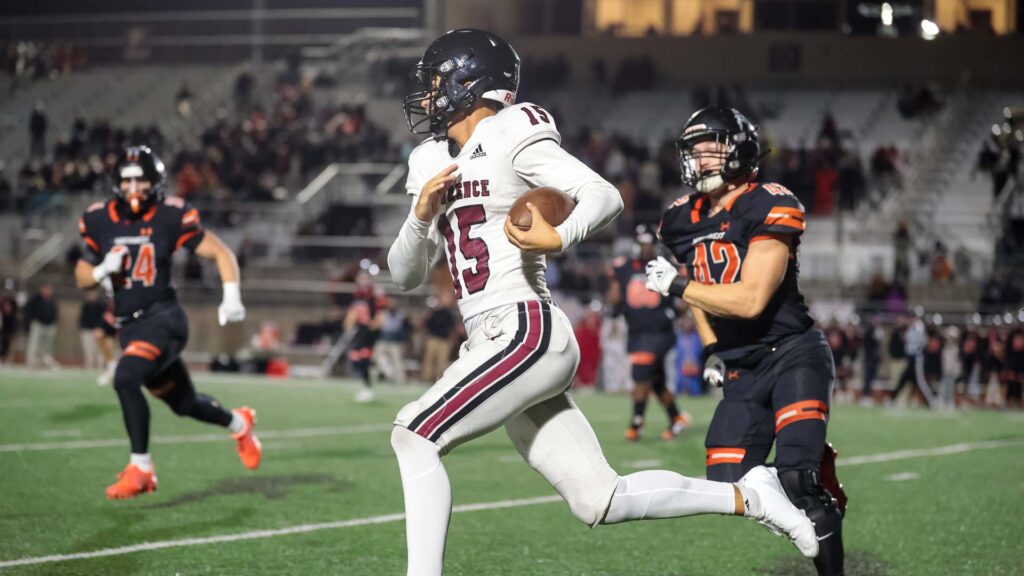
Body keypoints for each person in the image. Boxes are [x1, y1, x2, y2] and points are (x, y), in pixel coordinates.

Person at [386, 29, 817, 576]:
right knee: (600, 499)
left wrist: (558, 238)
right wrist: (422, 213)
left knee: (414, 434)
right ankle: (754, 495)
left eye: (437, 81)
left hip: (526, 329)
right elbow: (404, 275)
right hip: (490, 340)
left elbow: (603, 195)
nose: (427, 95)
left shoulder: (510, 128)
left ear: (470, 82)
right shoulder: (427, 160)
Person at [645, 107, 844, 575]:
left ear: (741, 150)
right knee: (727, 479)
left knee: (798, 479)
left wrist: (676, 286)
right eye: (693, 149)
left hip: (793, 354)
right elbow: (700, 292)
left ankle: (812, 490)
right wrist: (713, 347)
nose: (699, 158)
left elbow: (751, 299)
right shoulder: (680, 217)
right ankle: (805, 474)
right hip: (741, 367)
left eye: (710, 146)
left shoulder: (769, 202)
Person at [74, 145, 261, 500]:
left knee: (126, 376)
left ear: (155, 183)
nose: (134, 188)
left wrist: (232, 294)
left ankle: (141, 467)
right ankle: (240, 423)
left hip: (164, 318)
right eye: (127, 181)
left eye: (141, 181)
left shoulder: (170, 214)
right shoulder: (99, 219)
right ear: (116, 183)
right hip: (129, 326)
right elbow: (82, 275)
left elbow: (220, 251)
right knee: (185, 404)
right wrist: (100, 271)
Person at [606, 225, 690, 440]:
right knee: (656, 380)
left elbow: (686, 293)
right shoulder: (623, 268)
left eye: (649, 244)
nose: (645, 248)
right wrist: (614, 309)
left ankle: (636, 423)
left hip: (659, 332)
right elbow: (614, 298)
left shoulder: (666, 266)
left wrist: (674, 314)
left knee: (641, 373)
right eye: (642, 244)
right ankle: (676, 418)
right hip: (636, 332)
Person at [25, 284, 59, 369]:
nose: (48, 292)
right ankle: (31, 361)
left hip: (49, 325)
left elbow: (55, 312)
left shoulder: (52, 300)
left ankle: (45, 361)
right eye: (46, 289)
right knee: (34, 342)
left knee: (47, 344)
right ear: (42, 290)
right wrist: (30, 321)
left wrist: (53, 321)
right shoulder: (35, 299)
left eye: (49, 290)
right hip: (37, 323)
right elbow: (28, 310)